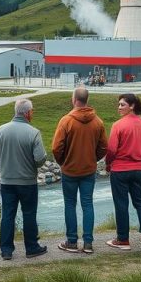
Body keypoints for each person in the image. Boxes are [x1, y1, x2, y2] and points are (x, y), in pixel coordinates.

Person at [0, 99, 48, 260]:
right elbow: (40, 158)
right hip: (27, 181)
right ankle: (31, 248)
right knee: (29, 213)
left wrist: (2, 169)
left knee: (7, 214)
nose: (32, 113)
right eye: (32, 111)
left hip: (7, 181)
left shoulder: (1, 130)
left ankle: (6, 250)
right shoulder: (33, 132)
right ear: (28, 113)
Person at [52, 87, 107, 254]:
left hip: (69, 170)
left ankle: (72, 241)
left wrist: (63, 161)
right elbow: (104, 147)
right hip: (88, 170)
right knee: (87, 204)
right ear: (86, 99)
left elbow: (56, 148)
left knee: (70, 204)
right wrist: (93, 158)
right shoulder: (97, 121)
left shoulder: (66, 121)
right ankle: (88, 243)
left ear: (74, 99)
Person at [105, 93, 141, 251]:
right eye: (119, 104)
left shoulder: (118, 125)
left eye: (122, 105)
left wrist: (108, 164)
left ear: (132, 106)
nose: (119, 107)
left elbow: (112, 149)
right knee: (140, 201)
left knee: (121, 204)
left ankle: (123, 240)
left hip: (120, 169)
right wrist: (139, 153)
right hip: (139, 169)